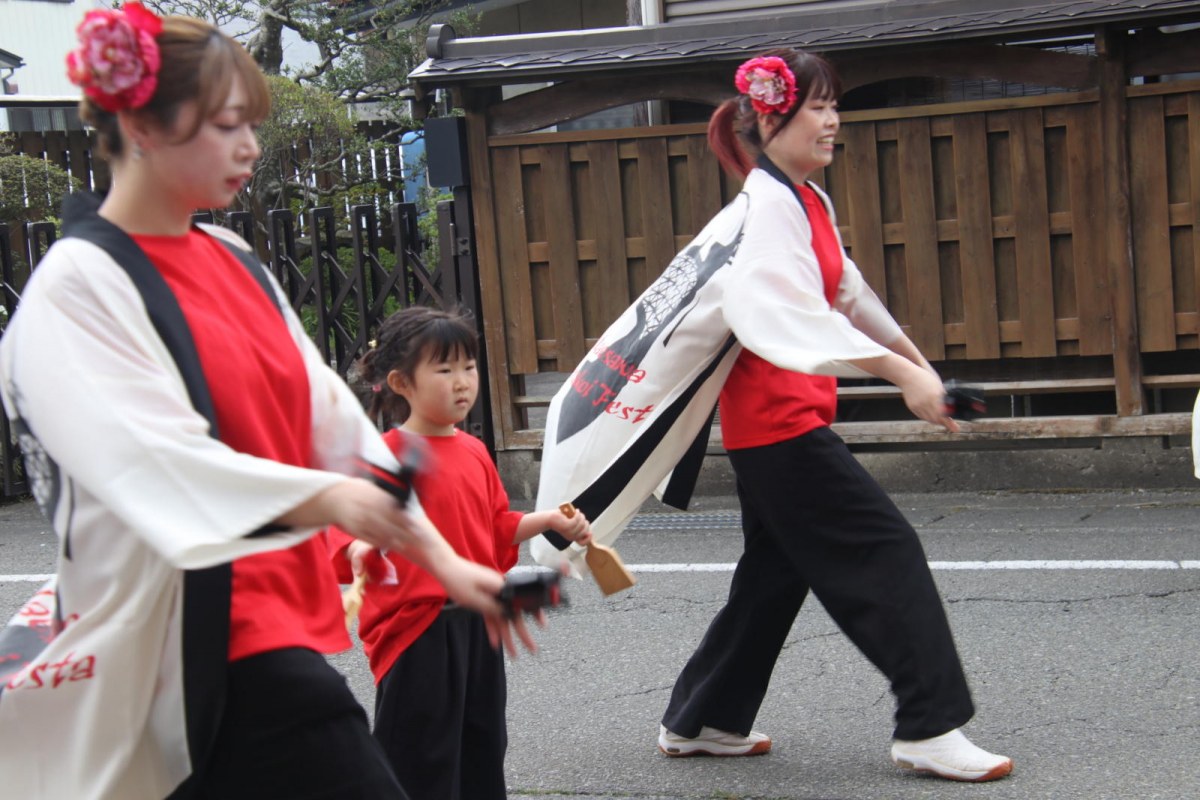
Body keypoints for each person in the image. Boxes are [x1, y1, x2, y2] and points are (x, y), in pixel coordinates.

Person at [0, 7, 528, 799]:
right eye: (224, 124)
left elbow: (334, 428)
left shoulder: (233, 258)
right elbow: (149, 462)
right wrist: (338, 500)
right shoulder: (78, 287)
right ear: (141, 123)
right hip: (190, 637)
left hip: (262, 626)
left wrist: (448, 563)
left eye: (252, 123)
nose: (249, 145)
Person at [654, 50, 1014, 782]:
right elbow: (794, 324)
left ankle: (702, 719)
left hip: (783, 426)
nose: (832, 120)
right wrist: (901, 376)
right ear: (770, 117)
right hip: (778, 430)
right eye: (817, 106)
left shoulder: (807, 201)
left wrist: (925, 374)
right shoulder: (760, 215)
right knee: (886, 552)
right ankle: (928, 723)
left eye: (833, 105)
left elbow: (850, 298)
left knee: (773, 577)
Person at [329, 305, 593, 800]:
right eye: (444, 369)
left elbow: (494, 527)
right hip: (416, 630)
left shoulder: (473, 450)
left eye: (468, 367)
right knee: (419, 756)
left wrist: (551, 522)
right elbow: (345, 539)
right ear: (400, 383)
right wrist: (366, 544)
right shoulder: (383, 456)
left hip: (479, 621)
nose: (462, 382)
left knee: (482, 744)